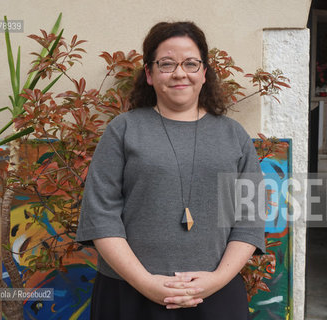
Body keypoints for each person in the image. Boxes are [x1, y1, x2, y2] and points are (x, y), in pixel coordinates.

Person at [76, 21, 265, 320]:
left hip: (216, 297)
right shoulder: (122, 131)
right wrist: (146, 283)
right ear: (149, 74)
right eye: (166, 64)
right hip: (129, 294)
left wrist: (214, 281)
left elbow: (249, 219)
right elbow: (101, 217)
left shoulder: (234, 136)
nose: (180, 73)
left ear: (204, 72)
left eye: (191, 63)